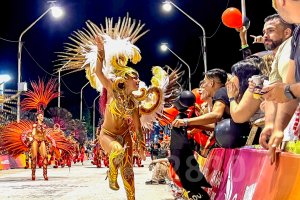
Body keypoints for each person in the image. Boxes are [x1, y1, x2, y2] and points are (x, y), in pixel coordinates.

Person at [259, 0, 300, 163]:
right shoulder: (298, 33)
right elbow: (288, 86)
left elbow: (289, 90)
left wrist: (289, 91)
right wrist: (277, 128)